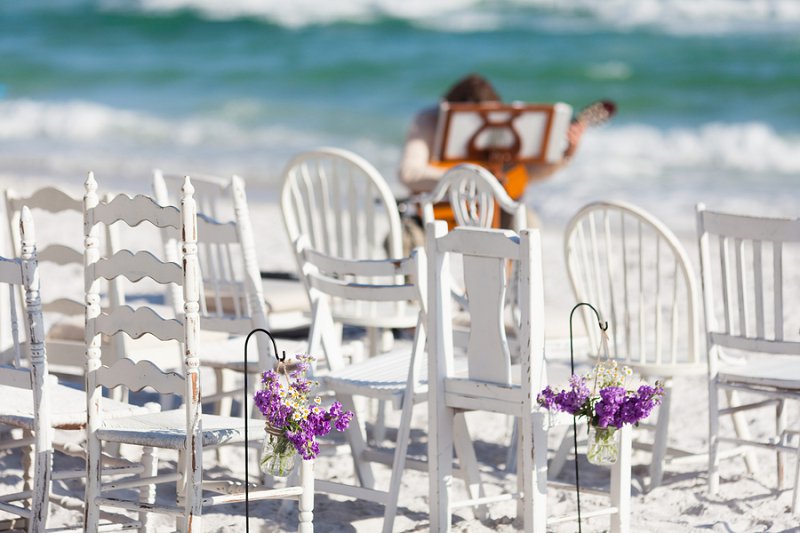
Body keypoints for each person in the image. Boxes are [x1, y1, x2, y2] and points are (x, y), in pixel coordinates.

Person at [398, 73, 589, 229]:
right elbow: (409, 174)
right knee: (405, 236)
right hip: (438, 212)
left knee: (528, 223)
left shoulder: (501, 122)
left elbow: (526, 174)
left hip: (489, 212)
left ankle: (513, 277)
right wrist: (472, 180)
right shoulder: (429, 120)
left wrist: (565, 153)